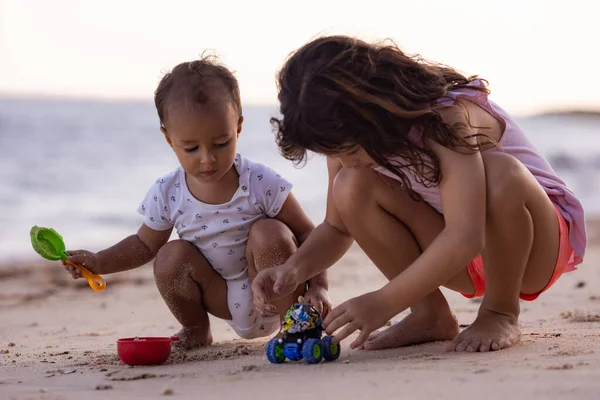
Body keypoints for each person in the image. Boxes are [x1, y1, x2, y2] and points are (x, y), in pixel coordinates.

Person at [252, 35, 586, 353]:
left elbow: (466, 235)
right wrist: (295, 269)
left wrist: (384, 301)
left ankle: (500, 311)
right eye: (336, 152)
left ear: (372, 113)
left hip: (533, 246)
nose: (346, 160)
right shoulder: (344, 139)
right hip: (461, 258)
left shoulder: (443, 118)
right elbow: (337, 229)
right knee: (350, 186)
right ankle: (429, 315)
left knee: (500, 172)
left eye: (350, 149)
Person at [63, 56, 331, 349]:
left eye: (221, 143)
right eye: (191, 148)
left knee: (270, 232)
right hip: (220, 295)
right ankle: (195, 327)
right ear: (169, 139)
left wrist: (318, 286)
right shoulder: (168, 192)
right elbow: (143, 245)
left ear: (238, 128)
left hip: (276, 288)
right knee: (169, 255)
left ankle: (293, 324)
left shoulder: (259, 182)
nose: (208, 159)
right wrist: (99, 261)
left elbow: (308, 233)